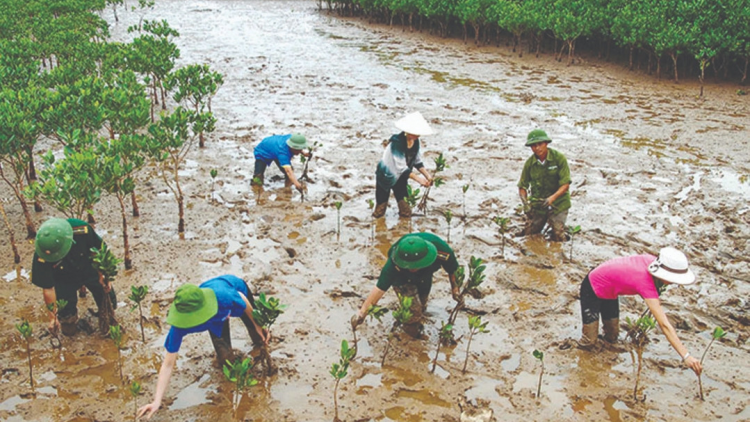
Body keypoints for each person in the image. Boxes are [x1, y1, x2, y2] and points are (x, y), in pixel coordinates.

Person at [137, 275, 268, 419]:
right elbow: (168, 364)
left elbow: (242, 298)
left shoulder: (223, 297)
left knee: (260, 337)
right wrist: (157, 401)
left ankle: (260, 343)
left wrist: (257, 325)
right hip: (217, 316)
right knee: (225, 358)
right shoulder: (179, 327)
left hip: (229, 293)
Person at [578, 247, 702, 376]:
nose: (673, 283)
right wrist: (686, 356)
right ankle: (583, 369)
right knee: (589, 341)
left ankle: (604, 363)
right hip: (593, 286)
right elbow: (664, 324)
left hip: (611, 290)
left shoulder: (653, 261)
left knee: (612, 335)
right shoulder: (645, 283)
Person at [351, 232, 460, 334]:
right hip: (402, 278)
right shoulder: (393, 264)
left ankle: (416, 313)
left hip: (425, 274)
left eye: (415, 266)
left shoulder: (442, 251)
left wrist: (455, 290)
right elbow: (380, 288)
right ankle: (409, 332)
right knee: (413, 312)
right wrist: (361, 314)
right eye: (410, 266)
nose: (412, 269)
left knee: (422, 302)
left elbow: (453, 270)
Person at [31, 217, 117, 336]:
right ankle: (70, 327)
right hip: (63, 277)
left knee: (105, 295)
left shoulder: (81, 229)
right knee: (65, 313)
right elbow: (48, 288)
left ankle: (107, 320)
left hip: (88, 266)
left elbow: (97, 250)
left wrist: (102, 275)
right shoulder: (43, 253)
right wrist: (52, 317)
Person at [373, 112, 434, 218]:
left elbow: (417, 161)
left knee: (406, 210)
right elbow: (401, 167)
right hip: (386, 175)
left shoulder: (415, 142)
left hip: (401, 177)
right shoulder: (397, 143)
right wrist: (419, 180)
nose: (418, 135)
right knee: (380, 210)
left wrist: (427, 175)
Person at [517, 129, 571, 241]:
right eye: (533, 146)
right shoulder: (530, 164)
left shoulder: (559, 159)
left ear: (546, 143)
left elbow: (565, 184)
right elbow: (522, 186)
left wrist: (552, 198)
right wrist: (526, 204)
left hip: (558, 203)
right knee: (530, 233)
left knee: (558, 233)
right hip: (538, 204)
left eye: (540, 144)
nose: (537, 148)